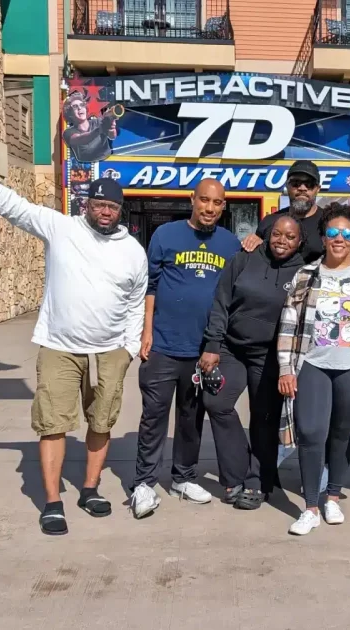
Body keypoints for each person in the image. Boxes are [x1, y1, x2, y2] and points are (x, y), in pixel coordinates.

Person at [0, 134, 147, 536]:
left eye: (112, 206)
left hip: (109, 351)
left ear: (120, 210)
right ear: (85, 204)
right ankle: (53, 501)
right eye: (99, 204)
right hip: (60, 347)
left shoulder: (133, 250)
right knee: (52, 423)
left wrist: (127, 347)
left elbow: (137, 301)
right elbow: (11, 205)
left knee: (102, 421)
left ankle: (90, 489)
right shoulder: (60, 227)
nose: (105, 212)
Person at [276, 203, 350, 535]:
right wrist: (286, 368)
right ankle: (311, 507)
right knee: (312, 433)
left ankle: (332, 497)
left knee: (341, 435)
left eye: (346, 233)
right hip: (312, 364)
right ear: (324, 236)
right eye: (332, 232)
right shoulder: (306, 275)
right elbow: (289, 324)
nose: (339, 238)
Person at [131, 178, 241, 518]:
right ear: (192, 200)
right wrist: (146, 331)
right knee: (154, 417)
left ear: (224, 206)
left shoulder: (230, 243)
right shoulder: (165, 235)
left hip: (203, 349)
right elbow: (150, 286)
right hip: (164, 344)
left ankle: (183, 477)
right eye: (204, 200)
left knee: (191, 418)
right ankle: (145, 483)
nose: (209, 208)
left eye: (217, 203)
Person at [199, 215, 306, 510]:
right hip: (232, 349)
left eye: (290, 236)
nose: (281, 240)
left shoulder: (303, 273)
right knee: (217, 403)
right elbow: (221, 302)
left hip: (269, 357)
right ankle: (234, 476)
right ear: (267, 234)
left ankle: (259, 481)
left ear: (300, 242)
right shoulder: (243, 260)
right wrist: (212, 345)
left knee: (263, 420)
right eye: (277, 234)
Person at [241, 160, 325, 262]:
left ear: (318, 189)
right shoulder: (269, 222)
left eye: (309, 184)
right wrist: (253, 243)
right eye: (296, 183)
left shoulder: (328, 222)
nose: (302, 188)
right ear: (287, 186)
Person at [62, 91, 116, 163]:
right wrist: (99, 129)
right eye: (75, 106)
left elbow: (112, 136)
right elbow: (81, 139)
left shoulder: (98, 122)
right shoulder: (68, 132)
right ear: (70, 114)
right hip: (84, 168)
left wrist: (111, 124)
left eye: (82, 105)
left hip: (107, 162)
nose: (79, 108)